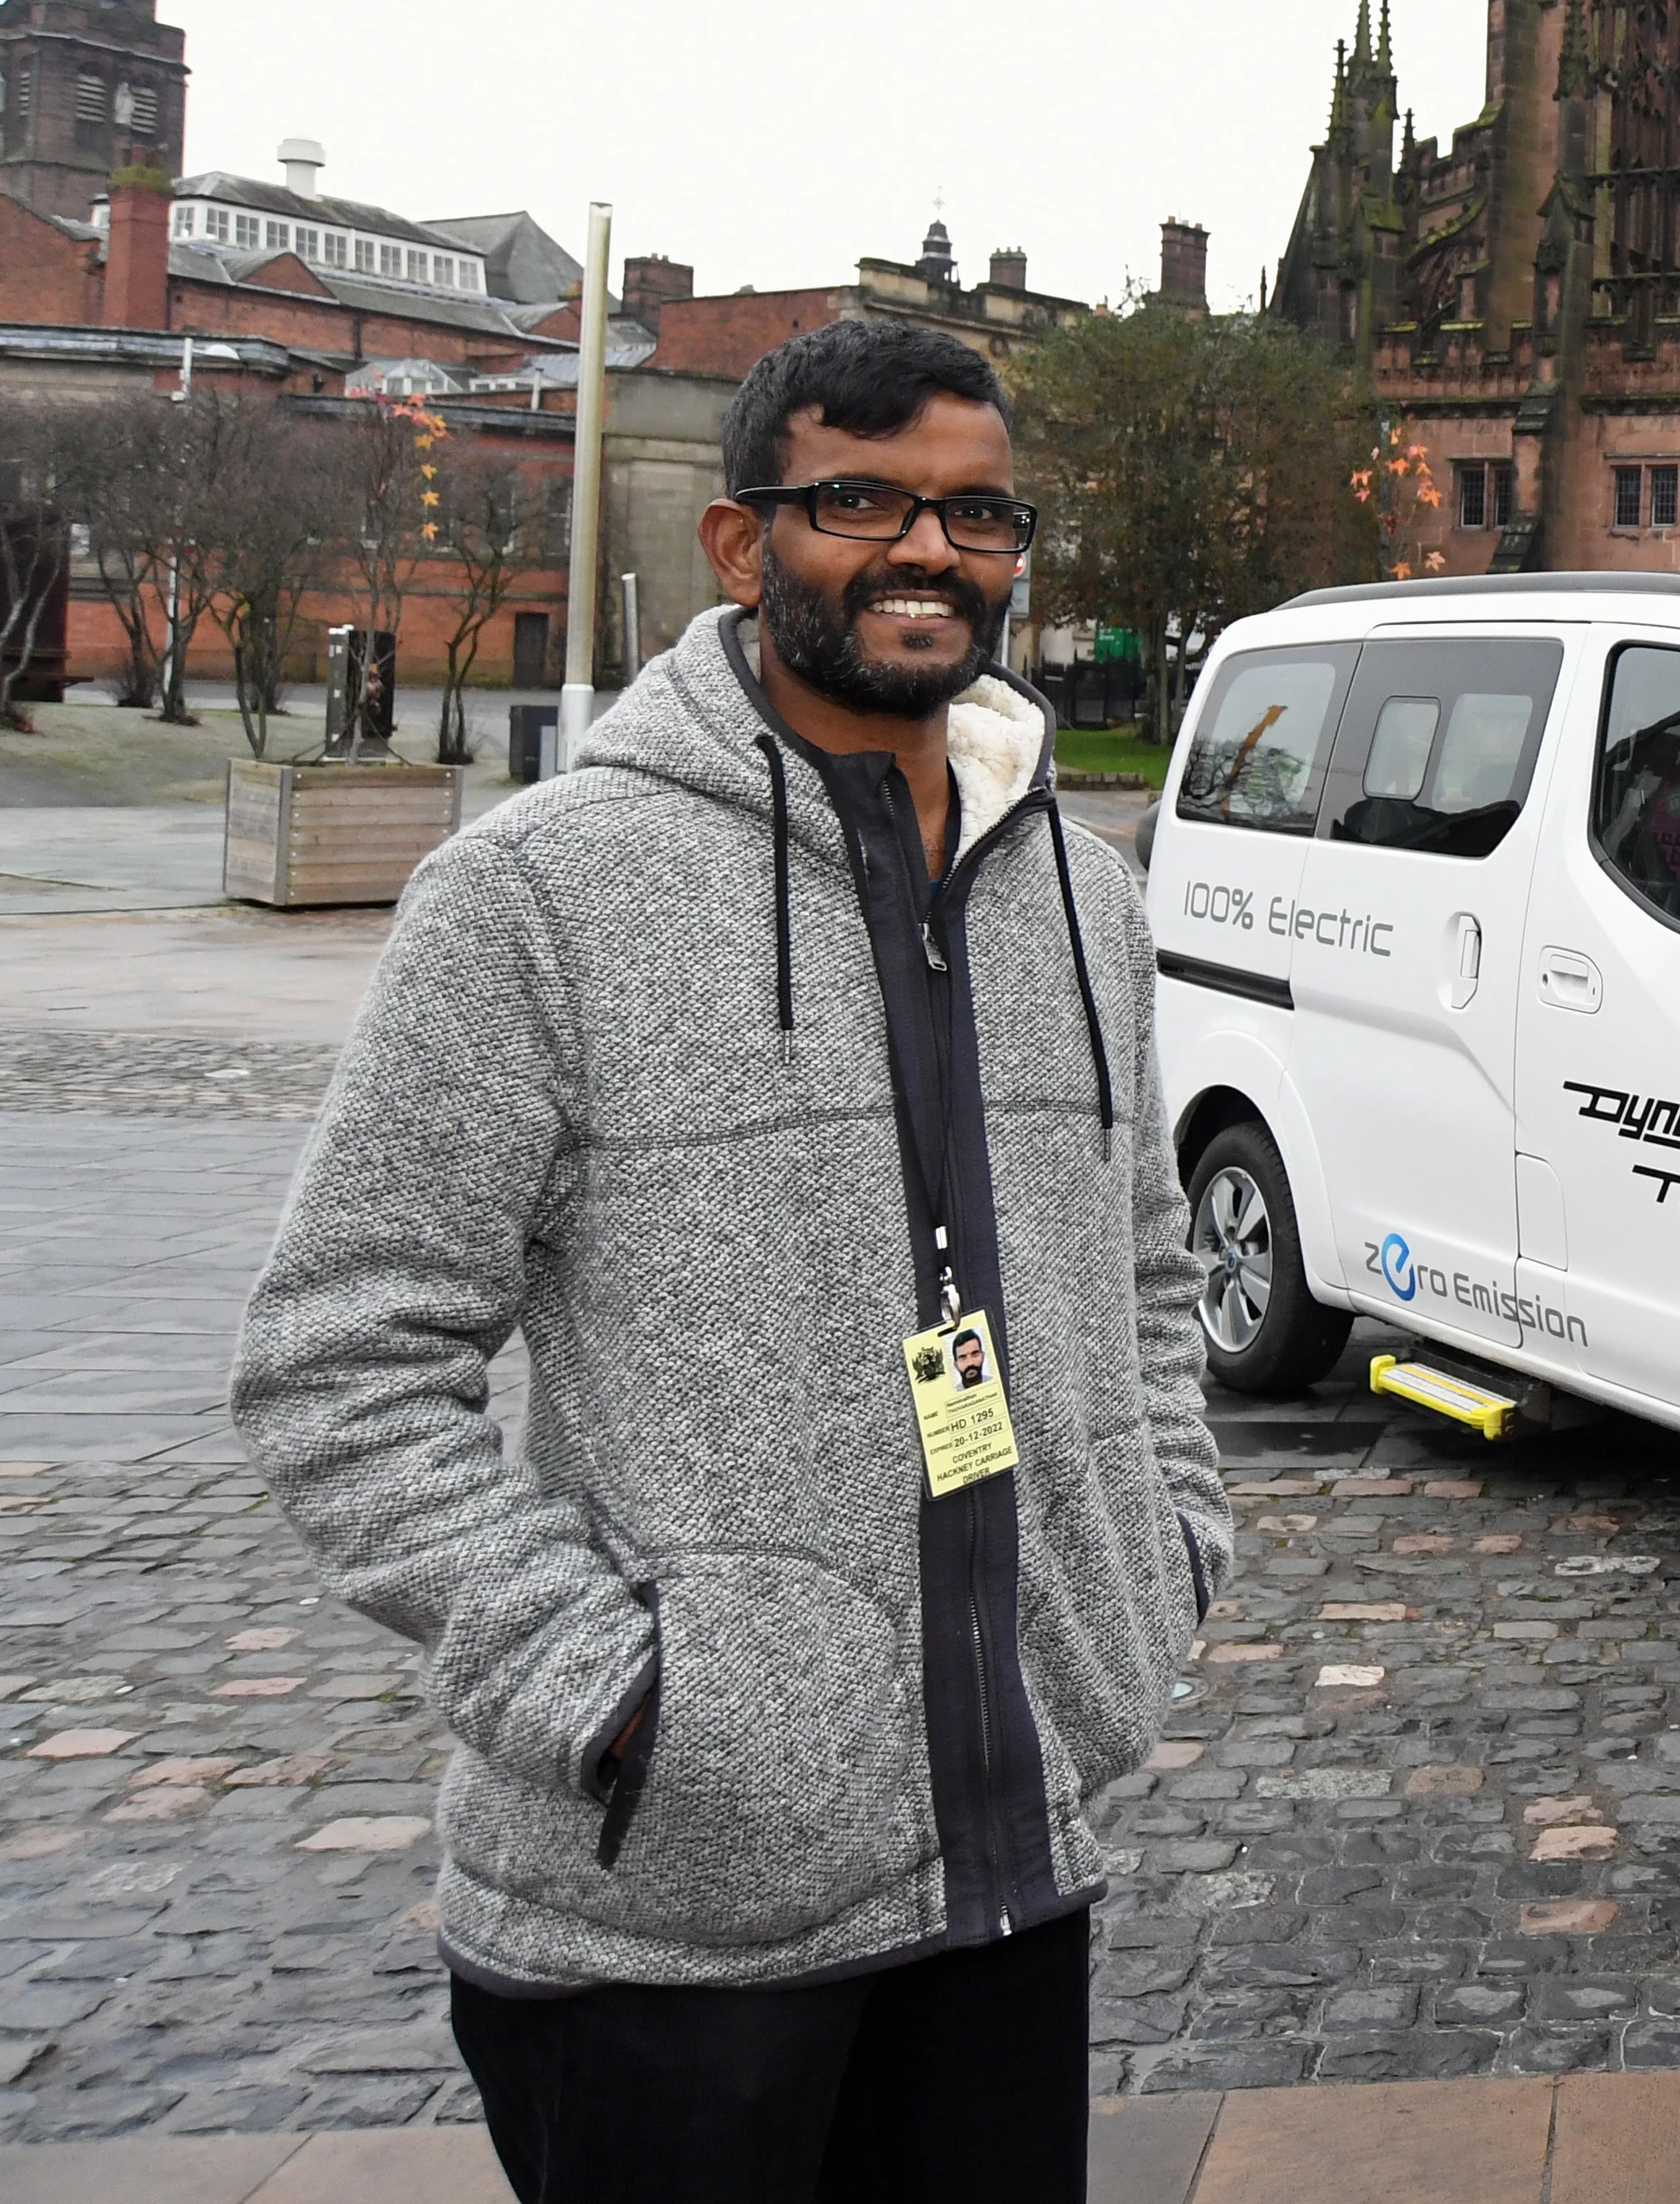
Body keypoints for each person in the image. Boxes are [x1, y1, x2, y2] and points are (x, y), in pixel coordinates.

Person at [231, 318, 1228, 2204]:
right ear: (743, 539)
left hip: (1012, 1862)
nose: (928, 550)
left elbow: (1152, 1267)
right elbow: (340, 1360)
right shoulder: (540, 892)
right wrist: (620, 1694)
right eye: (861, 499)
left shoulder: (1088, 893)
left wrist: (1161, 1550)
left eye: (978, 511)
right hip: (668, 1924)